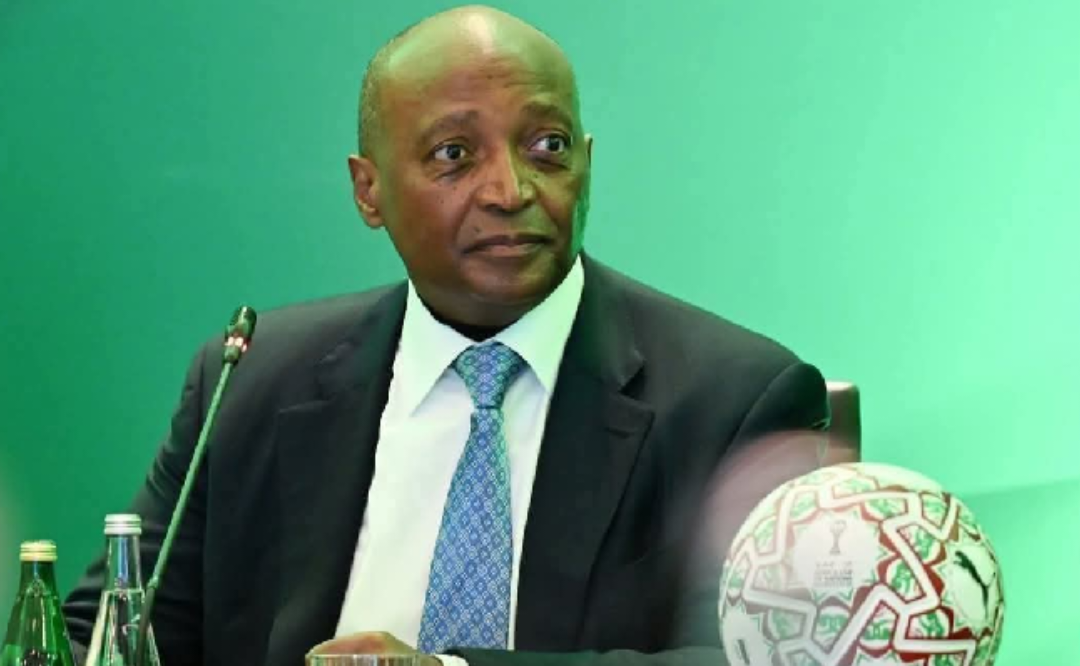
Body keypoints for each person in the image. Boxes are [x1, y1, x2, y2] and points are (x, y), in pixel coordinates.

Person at [62, 5, 830, 666]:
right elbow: (109, 639)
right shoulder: (250, 382)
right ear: (369, 191)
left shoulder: (733, 400)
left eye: (548, 147)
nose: (511, 190)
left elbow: (752, 658)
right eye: (454, 155)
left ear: (587, 165)